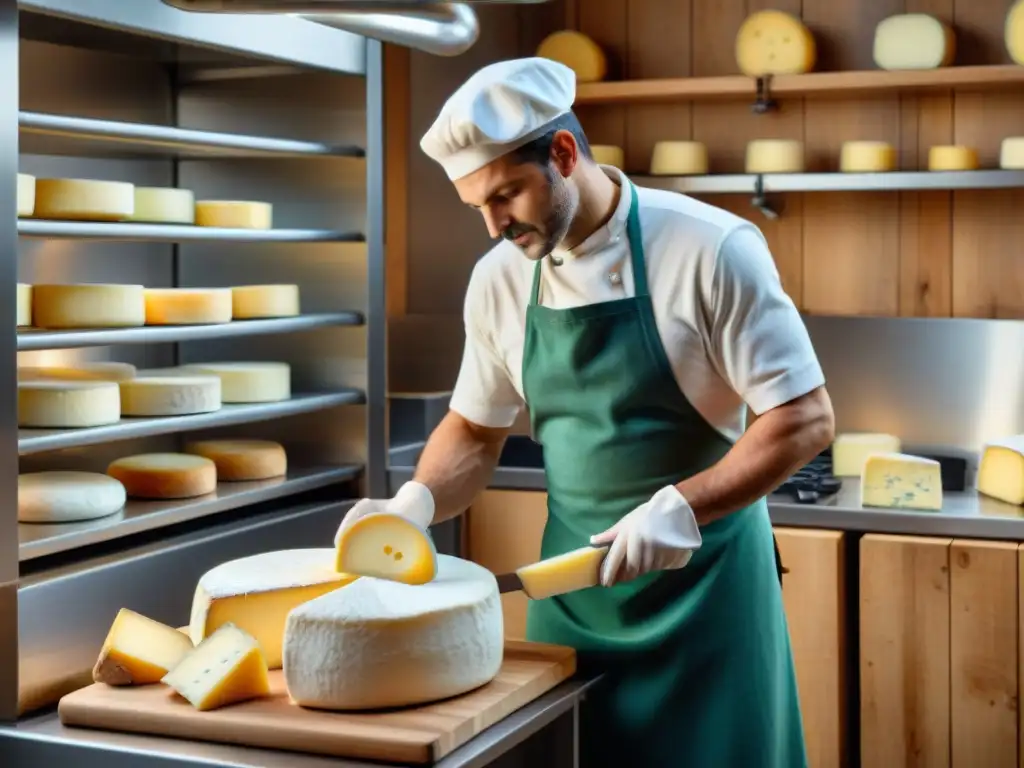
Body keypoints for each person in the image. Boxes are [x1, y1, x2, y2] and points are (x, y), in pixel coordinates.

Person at [335, 56, 834, 767]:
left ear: (564, 154)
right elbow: (475, 430)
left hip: (709, 595)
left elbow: (805, 417)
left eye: (506, 195)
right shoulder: (499, 279)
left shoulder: (710, 248)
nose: (492, 226)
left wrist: (683, 506)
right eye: (476, 204)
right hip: (572, 597)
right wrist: (414, 503)